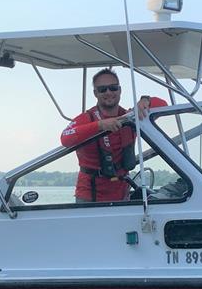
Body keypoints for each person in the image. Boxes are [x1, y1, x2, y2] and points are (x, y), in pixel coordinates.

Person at [61, 68, 166, 202]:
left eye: (113, 88)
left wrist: (146, 100)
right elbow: (65, 138)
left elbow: (163, 105)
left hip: (122, 195)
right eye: (102, 89)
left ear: (120, 90)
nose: (109, 92)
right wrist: (100, 125)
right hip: (90, 196)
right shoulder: (87, 118)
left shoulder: (131, 116)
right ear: (95, 93)